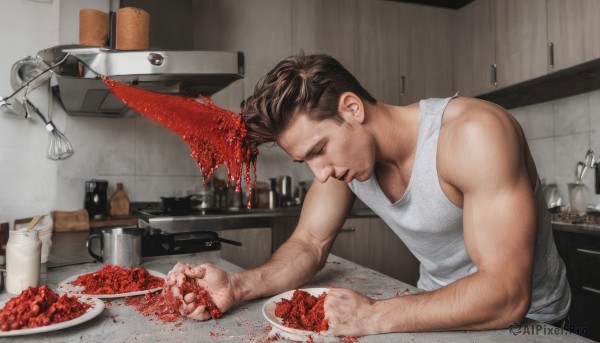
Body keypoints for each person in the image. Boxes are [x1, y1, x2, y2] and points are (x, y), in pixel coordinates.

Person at [176, 53, 571, 336]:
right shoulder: (346, 165)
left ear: (352, 108)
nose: (321, 172)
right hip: (432, 311)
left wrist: (373, 316)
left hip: (533, 325)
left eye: (318, 150)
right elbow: (309, 244)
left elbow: (506, 295)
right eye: (306, 162)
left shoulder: (473, 133)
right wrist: (237, 286)